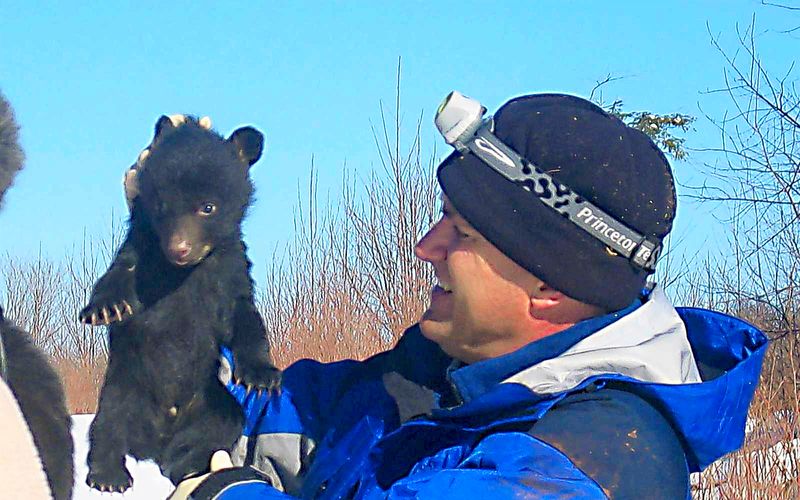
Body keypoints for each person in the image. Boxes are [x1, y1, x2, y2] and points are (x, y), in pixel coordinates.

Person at [169, 92, 768, 499]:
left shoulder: (596, 460)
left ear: (550, 285)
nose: (425, 247)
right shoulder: (422, 390)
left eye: (462, 231)